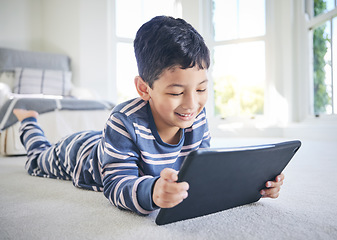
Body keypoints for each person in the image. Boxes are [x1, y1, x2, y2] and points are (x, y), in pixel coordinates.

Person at [13, 16, 284, 216]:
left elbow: (204, 171)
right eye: (177, 92)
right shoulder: (123, 120)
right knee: (38, 159)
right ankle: (29, 120)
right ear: (144, 88)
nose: (192, 103)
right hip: (81, 154)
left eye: (201, 88)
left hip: (113, 144)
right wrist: (152, 192)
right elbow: (117, 185)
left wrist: (256, 184)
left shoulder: (196, 118)